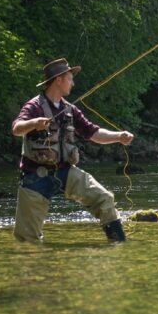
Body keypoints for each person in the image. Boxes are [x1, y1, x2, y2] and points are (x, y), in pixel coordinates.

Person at [12, 58, 134, 243]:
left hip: (66, 172)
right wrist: (34, 123)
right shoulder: (34, 106)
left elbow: (92, 132)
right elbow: (16, 128)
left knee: (104, 199)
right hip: (35, 174)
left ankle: (118, 246)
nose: (73, 83)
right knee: (27, 239)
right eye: (70, 78)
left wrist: (118, 136)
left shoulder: (70, 110)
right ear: (59, 80)